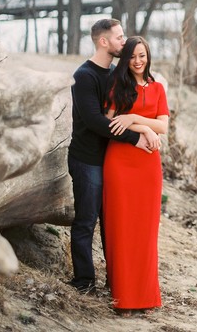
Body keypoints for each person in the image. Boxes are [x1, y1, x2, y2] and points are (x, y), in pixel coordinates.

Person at [67, 19, 161, 294]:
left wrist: (141, 125)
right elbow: (97, 122)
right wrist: (136, 137)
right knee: (86, 221)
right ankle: (84, 282)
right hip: (87, 160)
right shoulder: (84, 76)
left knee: (113, 224)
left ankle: (117, 282)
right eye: (119, 38)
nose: (124, 41)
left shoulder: (113, 75)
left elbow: (127, 114)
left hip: (112, 161)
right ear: (103, 41)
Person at [102, 36, 169, 312]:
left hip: (148, 168)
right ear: (125, 59)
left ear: (148, 57)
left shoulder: (157, 89)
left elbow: (163, 126)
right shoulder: (118, 84)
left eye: (142, 56)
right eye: (132, 57)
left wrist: (135, 119)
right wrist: (143, 128)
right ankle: (123, 299)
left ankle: (145, 297)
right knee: (121, 229)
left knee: (145, 232)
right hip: (120, 164)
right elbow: (109, 120)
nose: (138, 61)